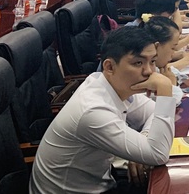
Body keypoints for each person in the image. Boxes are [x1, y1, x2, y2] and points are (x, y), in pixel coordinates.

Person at [30, 27, 176, 194]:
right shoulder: (92, 110)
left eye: (152, 61)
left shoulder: (113, 84)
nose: (149, 71)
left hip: (104, 182)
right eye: (138, 63)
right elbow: (158, 154)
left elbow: (153, 113)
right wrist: (165, 89)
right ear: (109, 66)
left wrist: (143, 140)